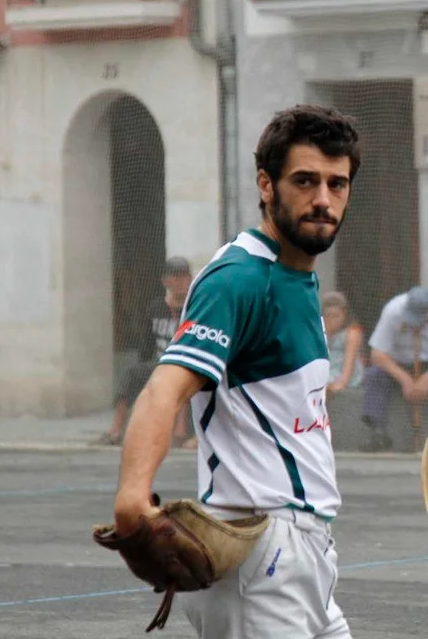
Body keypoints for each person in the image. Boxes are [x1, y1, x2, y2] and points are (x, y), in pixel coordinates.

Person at [109, 104, 361, 638]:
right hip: (261, 555)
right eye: (305, 181)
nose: (323, 198)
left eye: (336, 184)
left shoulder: (298, 277)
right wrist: (133, 495)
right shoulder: (239, 279)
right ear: (266, 185)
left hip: (308, 552)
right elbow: (164, 389)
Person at [98, 256, 193, 447]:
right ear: (166, 281)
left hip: (186, 363)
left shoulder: (195, 308)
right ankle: (116, 429)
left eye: (184, 277)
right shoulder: (155, 308)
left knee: (183, 375)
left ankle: (180, 432)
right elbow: (147, 345)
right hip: (160, 362)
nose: (180, 282)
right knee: (131, 373)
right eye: (175, 277)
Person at [361, 285, 428, 452]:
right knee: (374, 375)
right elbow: (377, 354)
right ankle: (378, 433)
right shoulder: (393, 310)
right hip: (399, 363)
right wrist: (405, 379)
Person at [321, 290, 365, 399]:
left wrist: (341, 383)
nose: (332, 320)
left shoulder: (352, 332)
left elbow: (349, 363)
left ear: (344, 315)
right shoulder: (319, 332)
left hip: (345, 374)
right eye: (328, 316)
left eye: (336, 316)